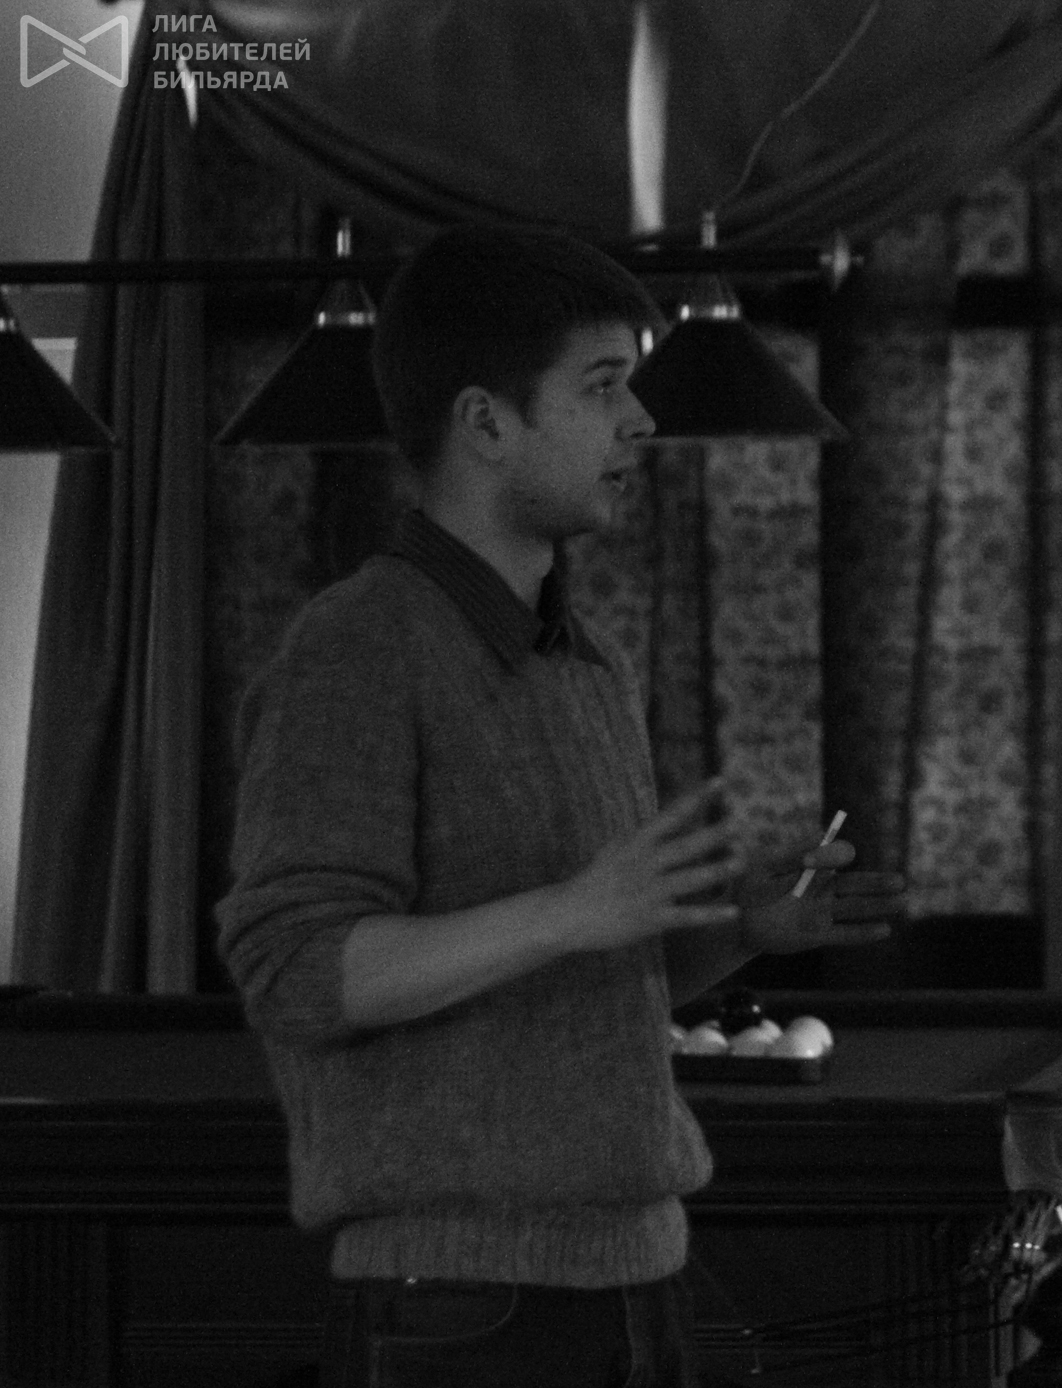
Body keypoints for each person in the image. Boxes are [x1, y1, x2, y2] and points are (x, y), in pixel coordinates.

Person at [217, 225, 903, 1387]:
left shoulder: (588, 660)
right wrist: (571, 908)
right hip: (467, 1307)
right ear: (485, 423)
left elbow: (583, 973)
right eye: (602, 385)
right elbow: (296, 969)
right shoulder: (355, 646)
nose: (640, 418)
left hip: (635, 1277)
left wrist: (735, 929)